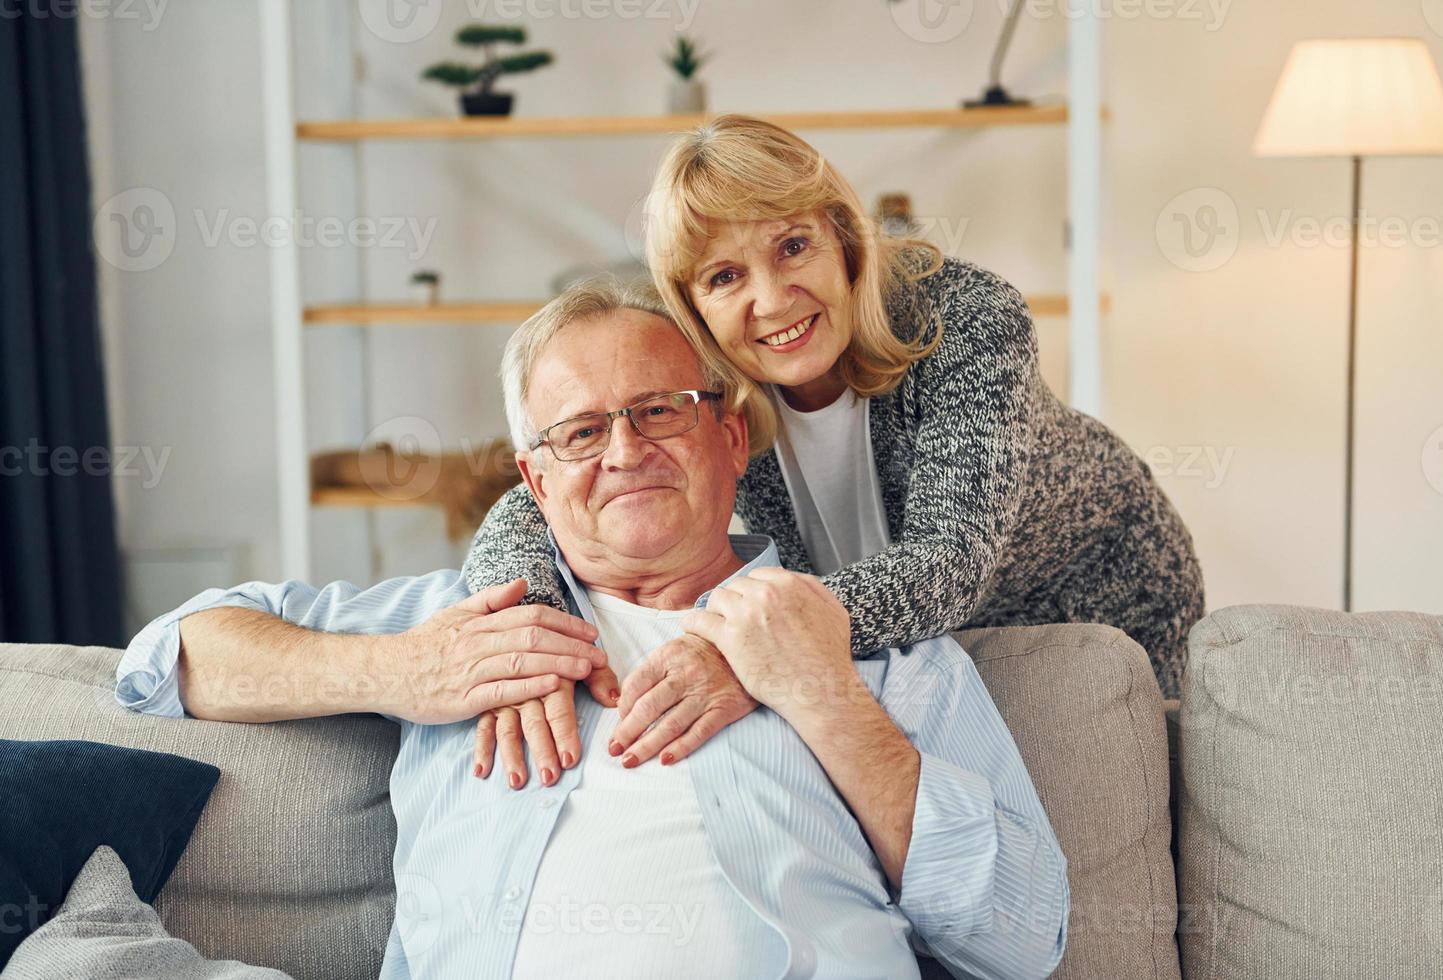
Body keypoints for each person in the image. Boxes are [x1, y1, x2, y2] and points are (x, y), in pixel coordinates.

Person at [115, 279, 1069, 980]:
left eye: (660, 411)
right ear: (535, 482)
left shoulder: (878, 649)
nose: (624, 453)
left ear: (731, 439)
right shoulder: (461, 625)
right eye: (579, 431)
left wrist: (822, 695)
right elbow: (173, 656)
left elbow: (1024, 936)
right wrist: (401, 669)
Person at [462, 114, 1205, 781]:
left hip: (1097, 612)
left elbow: (947, 568)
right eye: (726, 276)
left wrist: (746, 649)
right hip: (911, 655)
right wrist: (529, 641)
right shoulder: (701, 383)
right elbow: (542, 489)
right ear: (692, 305)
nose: (774, 299)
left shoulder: (964, 319)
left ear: (844, 241)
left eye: (793, 247)